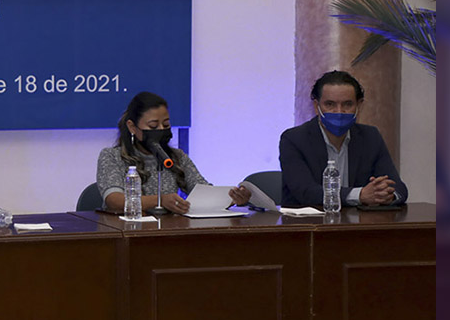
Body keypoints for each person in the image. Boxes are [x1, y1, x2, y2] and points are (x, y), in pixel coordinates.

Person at [97, 91, 250, 214]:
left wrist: (233, 198)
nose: (161, 130)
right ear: (132, 127)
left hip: (169, 230)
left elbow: (204, 192)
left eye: (166, 125)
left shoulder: (177, 157)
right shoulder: (112, 156)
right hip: (128, 231)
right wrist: (160, 200)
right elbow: (114, 200)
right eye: (153, 126)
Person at [279, 70, 407, 208]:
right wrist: (359, 195)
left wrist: (386, 195)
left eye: (347, 104)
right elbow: (306, 192)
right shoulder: (294, 139)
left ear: (359, 106)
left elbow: (398, 188)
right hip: (309, 220)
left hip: (358, 220)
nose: (339, 111)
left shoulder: (370, 137)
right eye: (330, 104)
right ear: (316, 107)